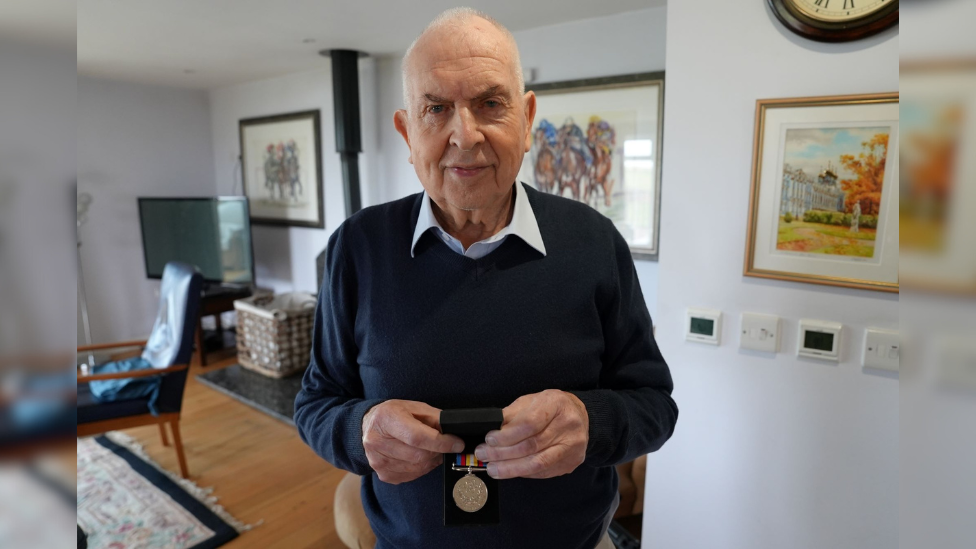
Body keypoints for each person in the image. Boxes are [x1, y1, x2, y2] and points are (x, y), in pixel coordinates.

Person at [294, 8, 677, 549]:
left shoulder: (594, 242)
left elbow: (655, 404)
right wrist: (360, 433)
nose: (465, 135)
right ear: (407, 131)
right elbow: (316, 403)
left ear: (526, 119)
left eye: (490, 104)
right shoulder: (358, 247)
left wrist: (590, 422)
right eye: (436, 108)